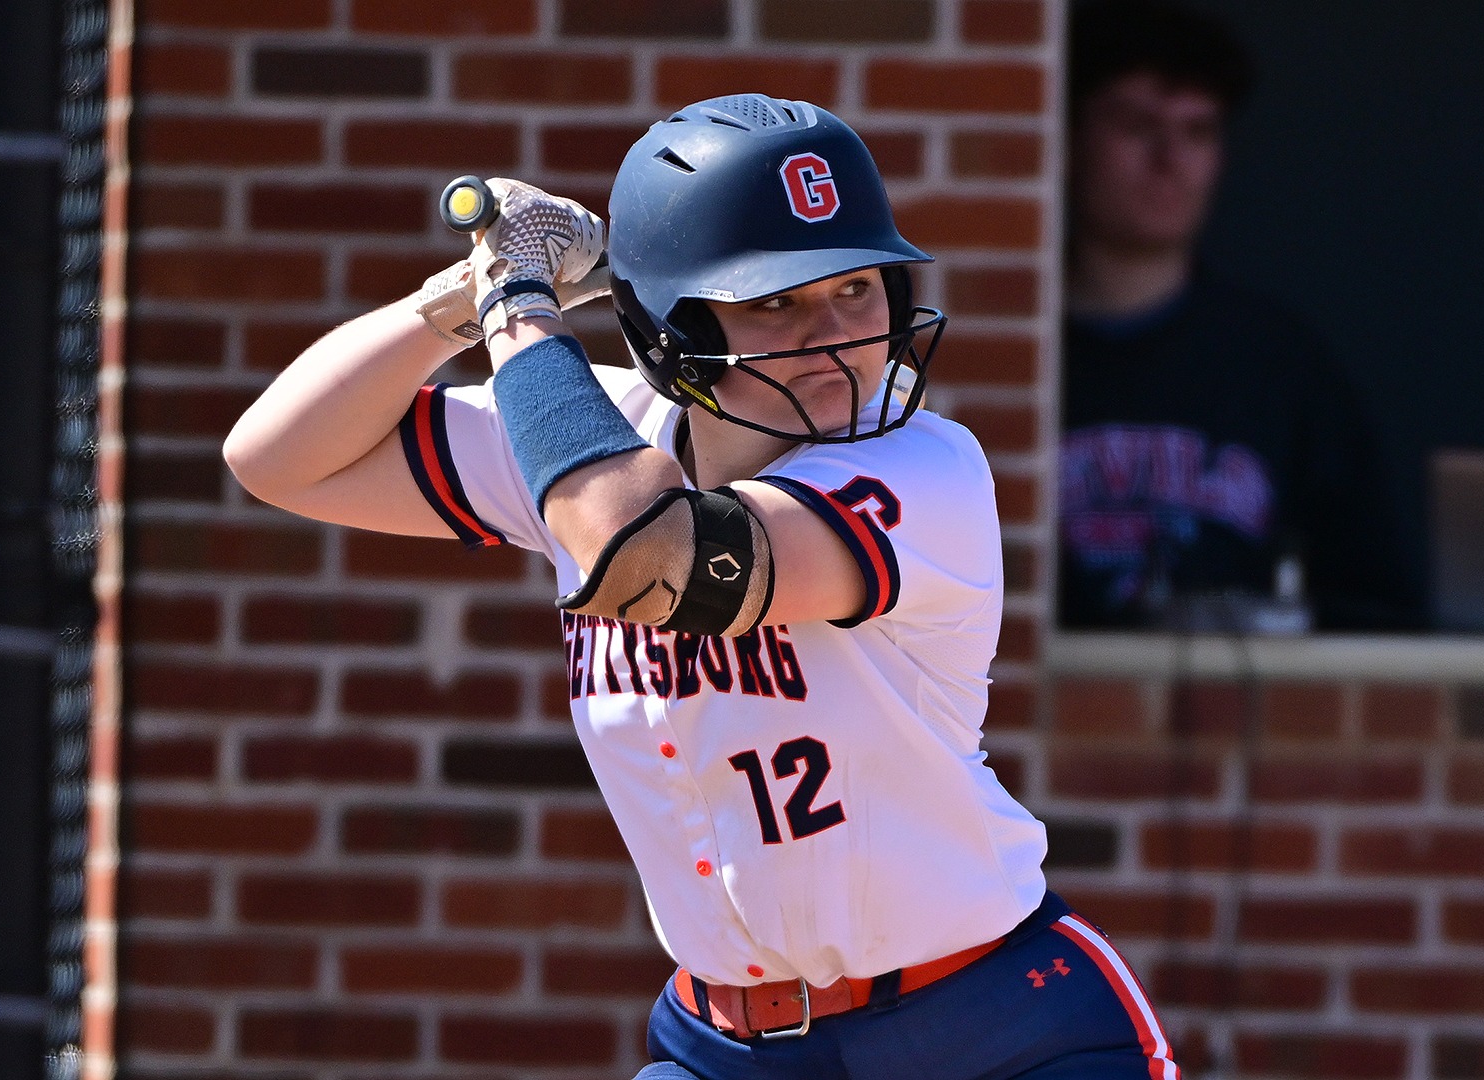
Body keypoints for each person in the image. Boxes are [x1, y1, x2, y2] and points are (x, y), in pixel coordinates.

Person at [225, 94, 1178, 1079]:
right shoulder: (604, 438)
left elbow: (651, 556)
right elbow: (278, 457)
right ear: (669, 327)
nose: (833, 332)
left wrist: (524, 313)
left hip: (990, 1027)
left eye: (856, 286)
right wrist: (467, 297)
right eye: (773, 301)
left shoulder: (921, 467)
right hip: (726, 1046)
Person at [1063, 0, 1416, 630]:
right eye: (1137, 126)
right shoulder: (1009, 359)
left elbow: (1376, 606)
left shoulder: (1283, 369)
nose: (1170, 159)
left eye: (1197, 132)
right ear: (1071, 138)